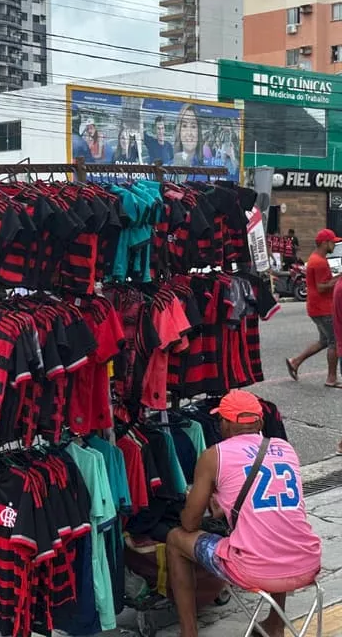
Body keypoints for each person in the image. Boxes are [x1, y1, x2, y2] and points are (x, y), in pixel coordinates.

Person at [165, 389, 321, 637]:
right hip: (308, 563)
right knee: (276, 529)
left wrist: (203, 504)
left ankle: (189, 632)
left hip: (255, 570)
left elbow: (191, 523)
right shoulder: (284, 448)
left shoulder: (214, 456)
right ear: (259, 422)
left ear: (224, 423)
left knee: (175, 538)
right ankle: (275, 624)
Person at [288, 229, 339, 386]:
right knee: (335, 342)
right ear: (325, 243)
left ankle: (295, 362)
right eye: (332, 242)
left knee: (324, 341)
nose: (334, 245)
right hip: (323, 308)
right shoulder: (320, 262)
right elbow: (322, 287)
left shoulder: (316, 259)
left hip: (316, 307)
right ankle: (331, 378)